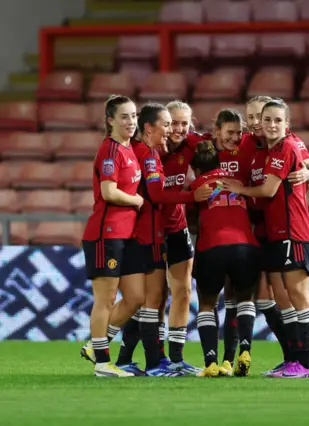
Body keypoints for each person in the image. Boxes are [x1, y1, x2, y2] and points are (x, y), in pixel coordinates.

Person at [221, 100, 309, 379]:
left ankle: (304, 363)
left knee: (297, 295)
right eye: (264, 119)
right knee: (276, 294)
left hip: (291, 231)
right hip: (271, 232)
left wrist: (240, 188)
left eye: (276, 120)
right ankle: (293, 360)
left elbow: (269, 188)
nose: (268, 124)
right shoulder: (259, 145)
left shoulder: (287, 146)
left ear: (286, 124)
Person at [117, 103, 213, 376]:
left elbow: (220, 148)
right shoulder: (147, 150)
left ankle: (176, 359)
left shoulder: (191, 144)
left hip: (177, 227)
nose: (179, 129)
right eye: (174, 123)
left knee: (182, 292)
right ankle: (130, 355)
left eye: (185, 124)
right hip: (150, 230)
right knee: (153, 299)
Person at [190, 115, 261, 377]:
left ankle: (210, 362)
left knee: (208, 304)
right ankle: (244, 350)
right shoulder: (238, 183)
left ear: (197, 169)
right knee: (243, 299)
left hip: (213, 247)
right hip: (246, 245)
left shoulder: (198, 184)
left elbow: (188, 214)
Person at [81, 95, 144, 377]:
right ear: (110, 121)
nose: (131, 121)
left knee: (136, 297)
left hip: (127, 235)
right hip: (106, 234)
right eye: (124, 117)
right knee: (104, 299)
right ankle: (103, 364)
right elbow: (108, 192)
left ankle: (98, 346)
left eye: (134, 116)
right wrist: (137, 201)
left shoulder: (129, 149)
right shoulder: (110, 151)